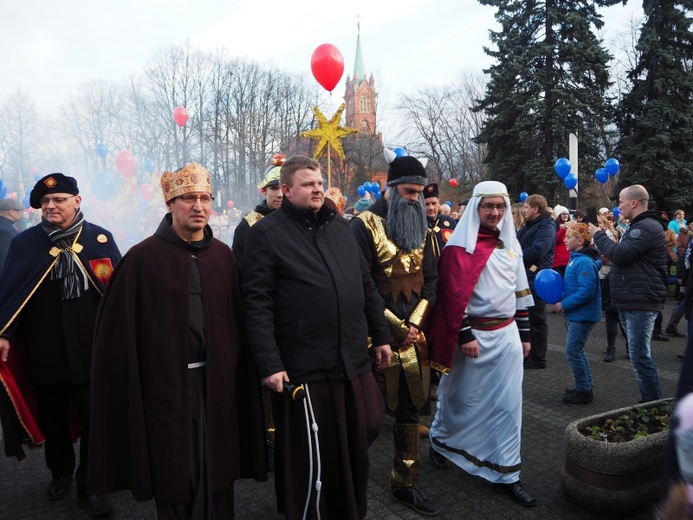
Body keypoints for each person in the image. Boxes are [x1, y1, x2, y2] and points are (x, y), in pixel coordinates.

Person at [87, 164, 266, 518]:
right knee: (173, 475)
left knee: (217, 472)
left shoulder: (224, 258)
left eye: (204, 198)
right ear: (170, 203)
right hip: (165, 392)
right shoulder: (141, 259)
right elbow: (116, 336)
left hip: (217, 388)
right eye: (188, 198)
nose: (198, 206)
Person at [241, 155, 392, 520]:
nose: (317, 189)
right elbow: (256, 302)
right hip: (304, 368)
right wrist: (270, 363)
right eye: (308, 184)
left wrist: (381, 334)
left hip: (352, 360)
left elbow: (366, 285)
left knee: (358, 443)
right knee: (313, 460)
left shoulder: (341, 227)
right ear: (287, 190)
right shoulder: (267, 233)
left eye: (319, 182)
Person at [0, 173, 121, 517]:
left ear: (77, 202)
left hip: (92, 350)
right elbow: (11, 295)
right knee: (53, 420)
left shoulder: (99, 239)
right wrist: (5, 333)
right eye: (46, 202)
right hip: (45, 350)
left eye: (59, 200)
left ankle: (92, 485)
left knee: (95, 419)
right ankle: (61, 474)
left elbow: (117, 295)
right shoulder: (25, 245)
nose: (51, 206)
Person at [426, 180, 536, 507]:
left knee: (507, 407)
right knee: (458, 398)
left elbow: (520, 293)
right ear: (476, 207)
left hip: (507, 338)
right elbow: (451, 296)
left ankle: (506, 473)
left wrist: (525, 335)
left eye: (500, 206)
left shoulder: (510, 246)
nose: (495, 212)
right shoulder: (458, 250)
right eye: (488, 206)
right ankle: (440, 440)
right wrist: (464, 334)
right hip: (471, 341)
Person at [351, 149, 439, 517]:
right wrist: (394, 328)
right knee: (365, 416)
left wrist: (415, 325)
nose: (417, 199)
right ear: (391, 189)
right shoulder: (362, 225)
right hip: (373, 339)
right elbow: (361, 285)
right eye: (410, 192)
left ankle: (406, 483)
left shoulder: (425, 229)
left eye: (419, 193)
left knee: (408, 412)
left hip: (413, 338)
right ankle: (350, 479)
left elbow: (432, 283)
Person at [589, 184, 667, 403]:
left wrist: (599, 235)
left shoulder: (646, 228)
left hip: (640, 301)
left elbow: (619, 254)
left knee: (641, 357)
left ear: (634, 203)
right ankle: (651, 403)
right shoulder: (638, 226)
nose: (618, 206)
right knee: (639, 355)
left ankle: (653, 405)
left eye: (621, 201)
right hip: (631, 299)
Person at [553, 222, 602, 404]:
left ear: (580, 241)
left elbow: (586, 292)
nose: (564, 240)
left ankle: (584, 391)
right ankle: (584, 386)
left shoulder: (583, 262)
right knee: (576, 350)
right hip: (579, 313)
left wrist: (564, 303)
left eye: (568, 237)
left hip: (583, 314)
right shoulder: (576, 258)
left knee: (573, 350)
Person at [517, 194, 555, 369]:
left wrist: (515, 256)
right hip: (525, 277)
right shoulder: (530, 226)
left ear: (536, 209)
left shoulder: (546, 227)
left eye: (526, 207)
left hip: (536, 278)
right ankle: (528, 354)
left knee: (537, 320)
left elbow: (537, 251)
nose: (524, 210)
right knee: (527, 319)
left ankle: (538, 358)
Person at [232, 154, 284, 267]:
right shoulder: (248, 225)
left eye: (283, 188)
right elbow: (238, 267)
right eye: (274, 188)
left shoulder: (299, 221)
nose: (280, 194)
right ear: (264, 190)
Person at [424, 182, 457, 259]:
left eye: (434, 203)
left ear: (438, 202)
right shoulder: (417, 224)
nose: (431, 208)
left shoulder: (451, 223)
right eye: (427, 204)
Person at [0, 197, 24, 277]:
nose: (21, 213)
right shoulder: (5, 231)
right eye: (19, 211)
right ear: (11, 212)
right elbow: (4, 259)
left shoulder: (5, 226)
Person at [552, 205, 571, 278]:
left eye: (567, 214)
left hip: (569, 260)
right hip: (559, 261)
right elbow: (554, 240)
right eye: (563, 214)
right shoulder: (554, 225)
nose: (566, 216)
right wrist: (563, 230)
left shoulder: (571, 225)